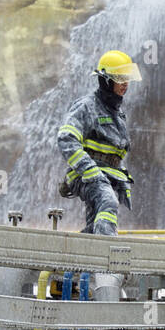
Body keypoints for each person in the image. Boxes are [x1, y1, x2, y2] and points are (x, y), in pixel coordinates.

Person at [57, 50, 141, 235]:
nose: (125, 83)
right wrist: (89, 170)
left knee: (95, 224)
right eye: (120, 78)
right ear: (106, 80)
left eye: (127, 77)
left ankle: (82, 255)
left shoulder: (117, 114)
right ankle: (106, 253)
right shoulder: (87, 106)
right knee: (108, 202)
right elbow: (66, 138)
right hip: (89, 175)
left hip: (110, 177)